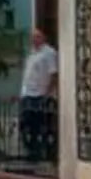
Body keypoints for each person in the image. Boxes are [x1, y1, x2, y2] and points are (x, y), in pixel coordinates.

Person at [18, 29, 60, 163]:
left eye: (37, 37)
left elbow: (54, 74)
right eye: (32, 37)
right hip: (28, 94)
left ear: (43, 38)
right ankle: (32, 152)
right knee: (26, 126)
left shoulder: (49, 53)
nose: (33, 40)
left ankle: (43, 154)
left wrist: (48, 93)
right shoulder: (32, 54)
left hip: (40, 95)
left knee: (41, 126)